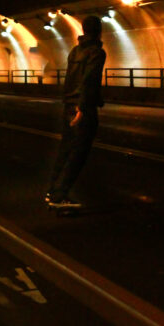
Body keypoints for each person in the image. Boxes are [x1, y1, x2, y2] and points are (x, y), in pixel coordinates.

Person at [46, 15, 106, 208]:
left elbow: (71, 79)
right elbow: (89, 80)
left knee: (65, 149)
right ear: (99, 30)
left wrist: (69, 103)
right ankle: (60, 195)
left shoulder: (74, 52)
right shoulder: (96, 52)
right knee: (78, 153)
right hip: (83, 108)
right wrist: (82, 107)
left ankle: (52, 190)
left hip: (69, 105)